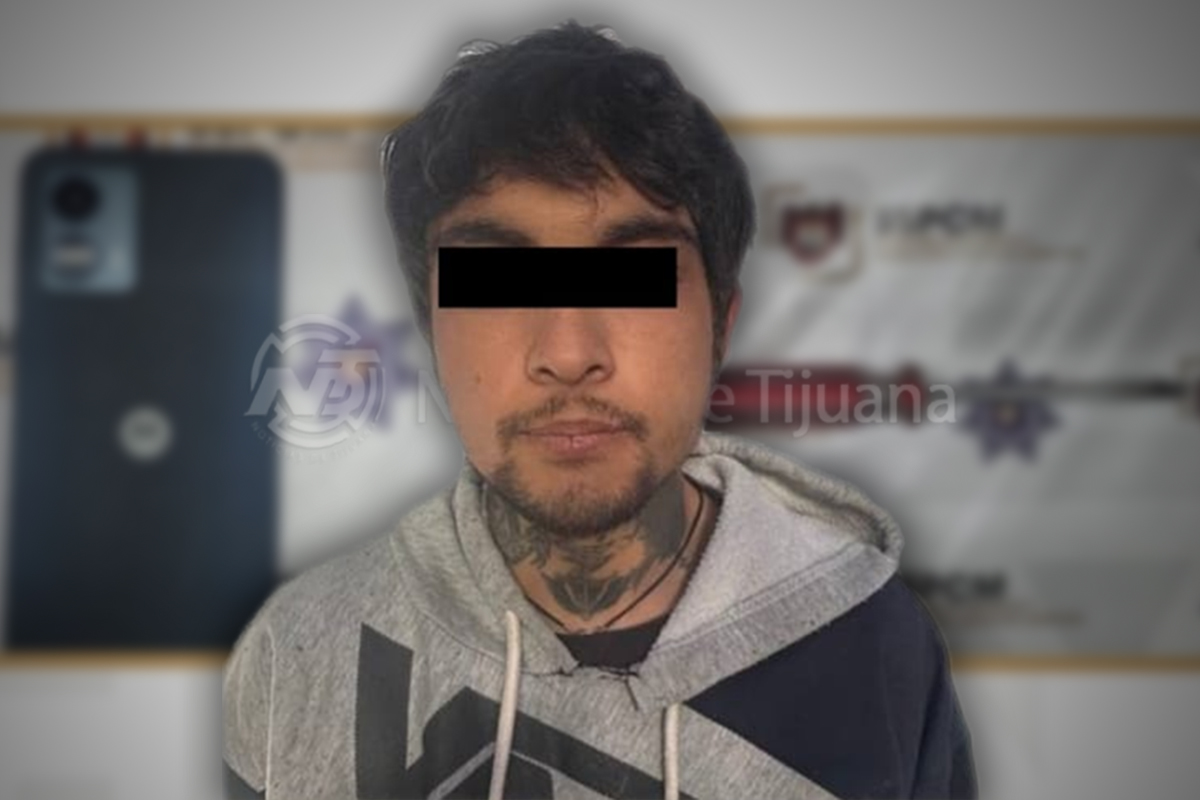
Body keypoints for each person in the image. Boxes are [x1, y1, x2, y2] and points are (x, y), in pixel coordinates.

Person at [223, 19, 977, 800]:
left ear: (720, 326)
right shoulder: (300, 652)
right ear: (431, 331)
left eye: (634, 276)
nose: (569, 350)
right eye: (496, 281)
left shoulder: (877, 646)